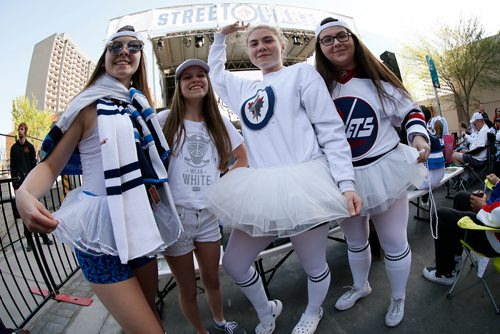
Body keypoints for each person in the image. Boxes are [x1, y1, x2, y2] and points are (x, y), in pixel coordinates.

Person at [15, 25, 182, 333]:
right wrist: (23, 194)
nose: (124, 52)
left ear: (139, 58)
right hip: (100, 236)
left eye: (133, 47)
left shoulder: (138, 108)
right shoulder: (88, 105)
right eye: (115, 47)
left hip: (138, 227)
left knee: (148, 313)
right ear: (104, 58)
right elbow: (52, 166)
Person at [207, 21, 362, 334]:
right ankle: (267, 311)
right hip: (262, 187)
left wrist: (346, 184)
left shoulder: (302, 74)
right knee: (234, 263)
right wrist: (220, 37)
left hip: (304, 184)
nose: (261, 47)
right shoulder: (243, 88)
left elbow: (331, 130)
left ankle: (313, 311)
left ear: (282, 45)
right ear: (248, 51)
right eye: (253, 43)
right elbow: (216, 73)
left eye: (268, 40)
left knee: (313, 265)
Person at [314, 17, 430, 327]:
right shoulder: (317, 87)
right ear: (319, 47)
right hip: (344, 178)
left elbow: (411, 111)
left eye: (342, 36)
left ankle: (398, 297)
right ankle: (360, 285)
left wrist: (418, 136)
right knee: (355, 241)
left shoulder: (379, 82)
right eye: (327, 39)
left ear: (353, 39)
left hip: (385, 170)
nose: (336, 43)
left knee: (393, 242)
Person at [157, 59, 248, 334]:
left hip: (209, 216)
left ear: (208, 84)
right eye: (187, 77)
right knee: (186, 289)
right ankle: (201, 331)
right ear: (179, 86)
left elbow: (243, 158)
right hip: (176, 218)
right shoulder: (162, 121)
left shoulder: (217, 121)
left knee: (213, 280)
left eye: (201, 76)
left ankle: (220, 322)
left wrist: (220, 187)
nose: (195, 80)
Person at [423, 173, 500, 285]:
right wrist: (498, 182)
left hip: (494, 237)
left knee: (442, 216)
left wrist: (483, 208)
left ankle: (445, 273)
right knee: (461, 198)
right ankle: (455, 257)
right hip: (494, 222)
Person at [10, 122, 53, 252]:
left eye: (22, 129)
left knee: (37, 210)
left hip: (30, 183)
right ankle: (29, 241)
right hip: (20, 183)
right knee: (25, 212)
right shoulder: (14, 148)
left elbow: (34, 165)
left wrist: (36, 182)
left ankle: (44, 237)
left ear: (26, 131)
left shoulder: (30, 147)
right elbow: (12, 167)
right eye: (18, 129)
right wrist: (15, 186)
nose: (19, 131)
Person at [418, 106, 445, 191]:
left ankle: (424, 202)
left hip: (428, 181)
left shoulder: (420, 133)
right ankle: (425, 202)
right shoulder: (431, 130)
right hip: (440, 175)